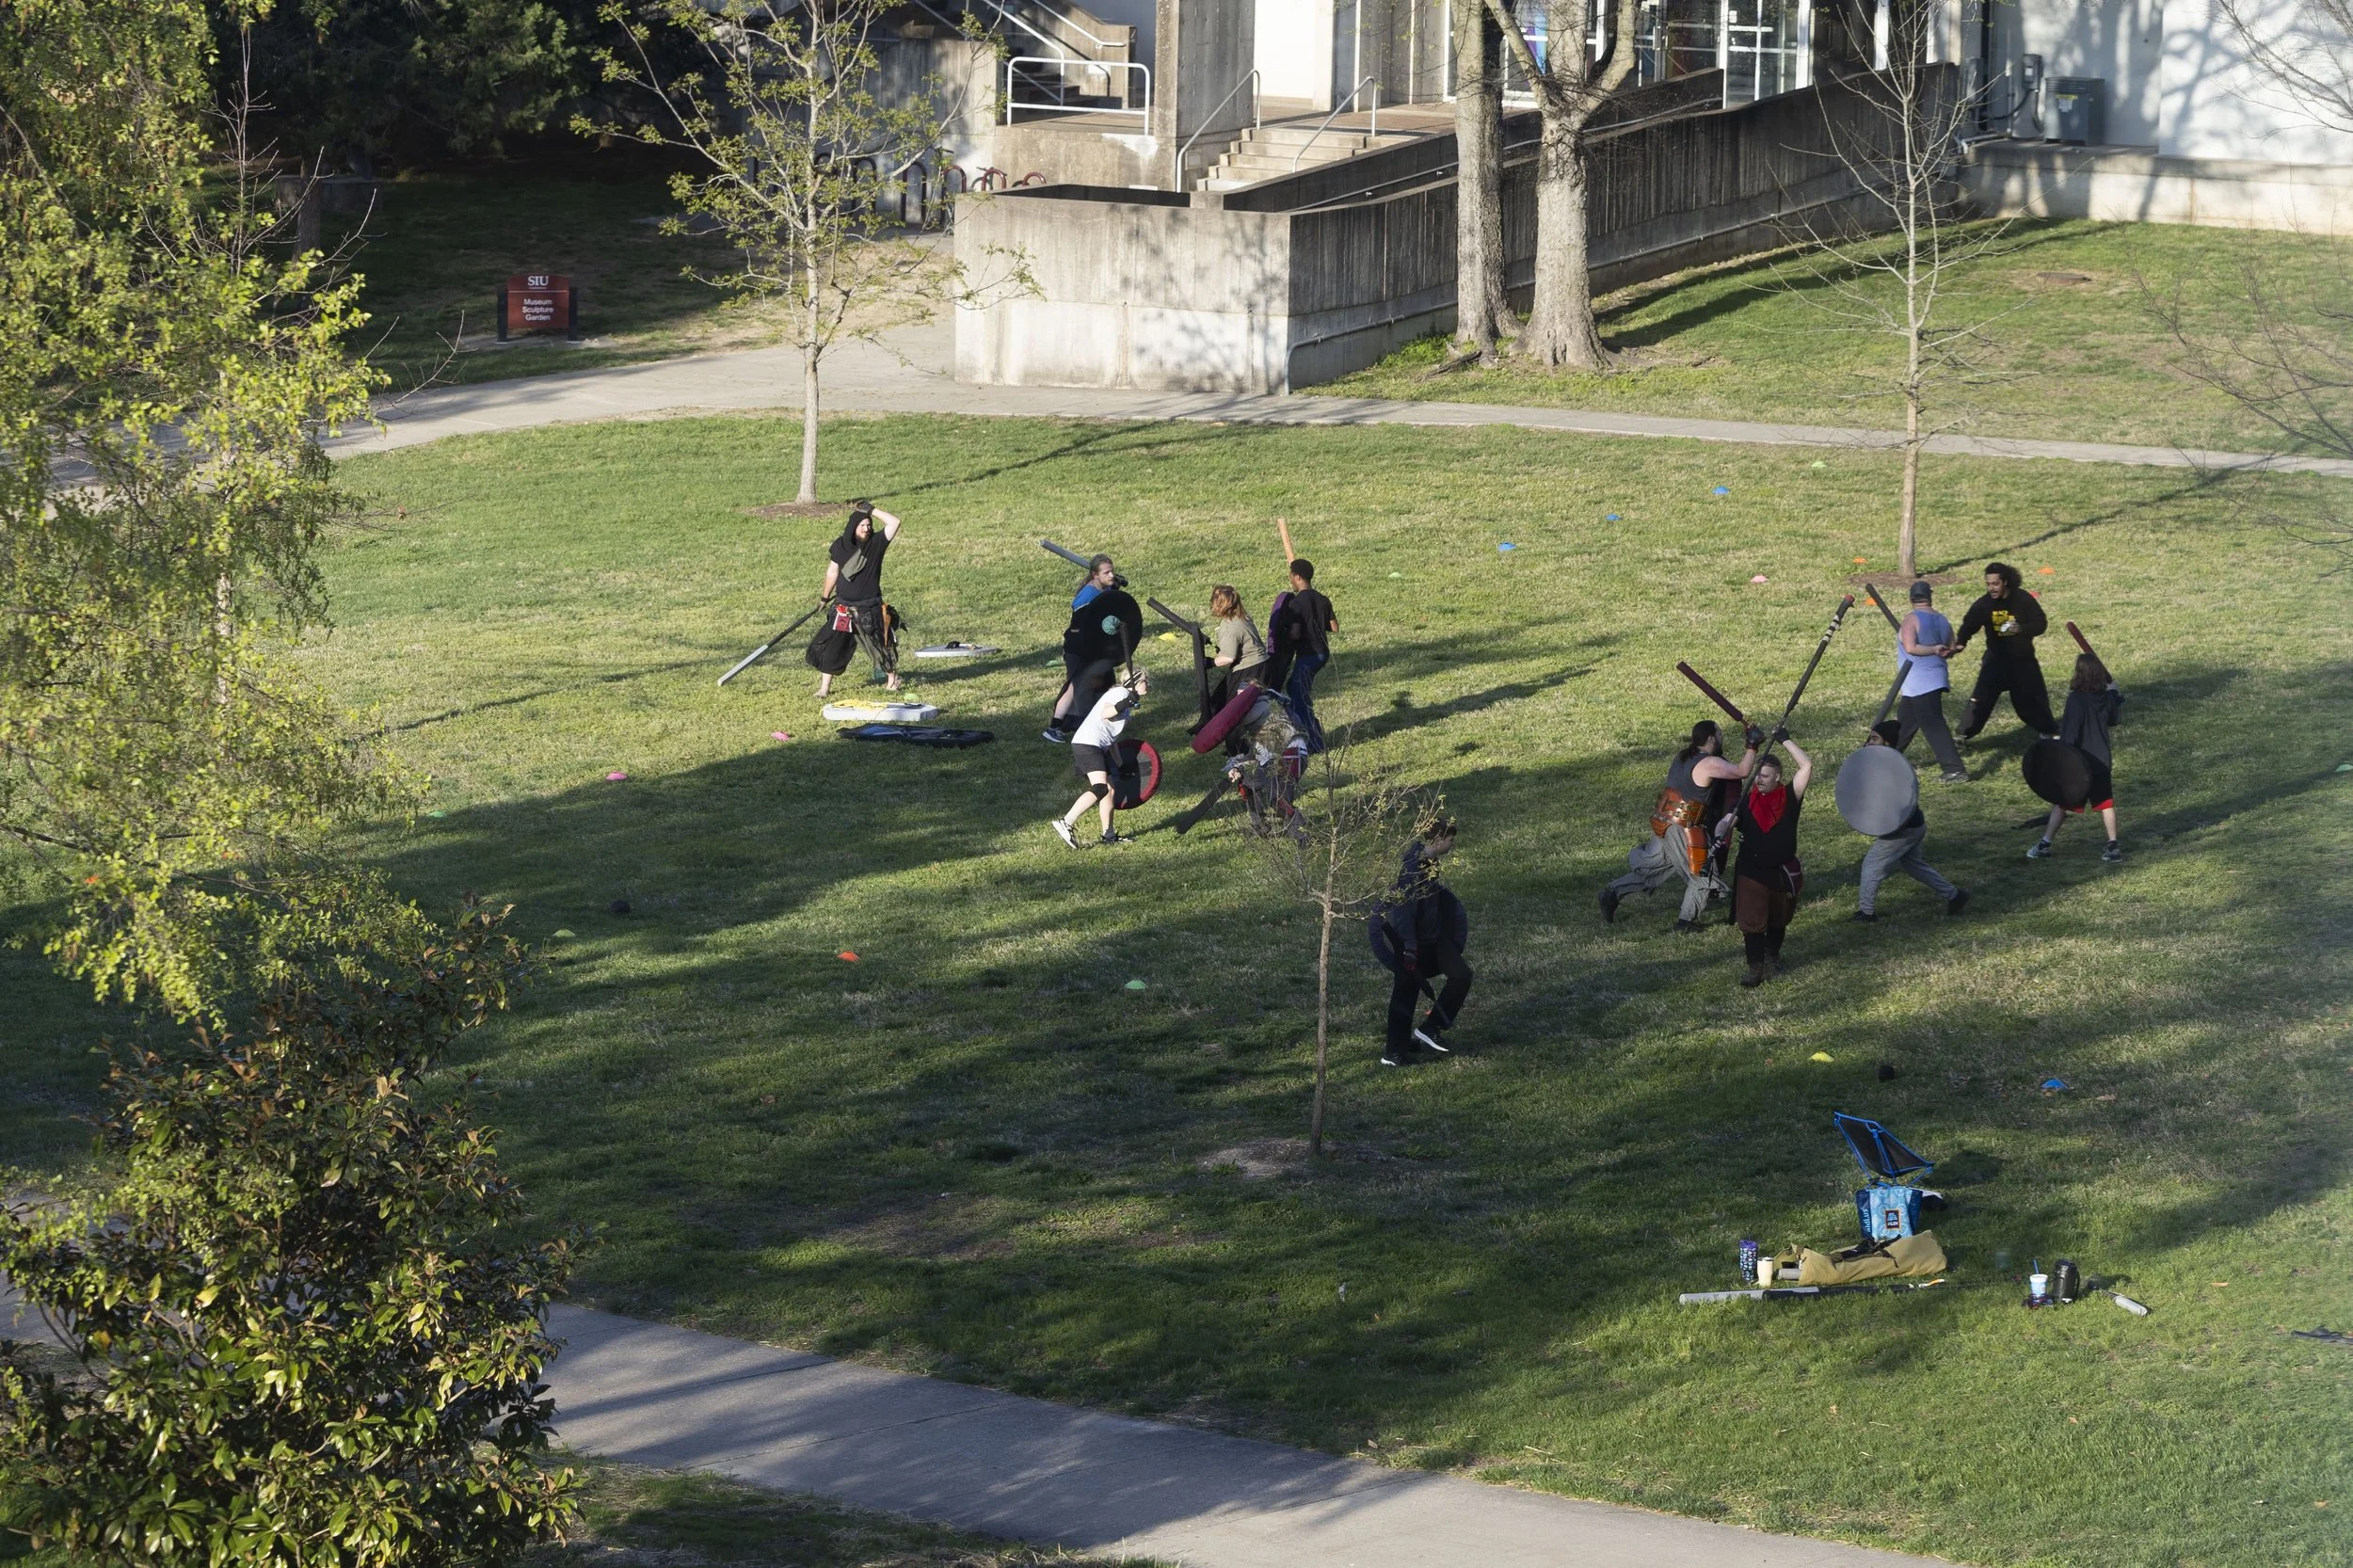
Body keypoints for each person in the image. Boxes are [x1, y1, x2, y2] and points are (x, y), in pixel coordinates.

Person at [1600, 718, 1758, 931]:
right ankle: (1685, 922)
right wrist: (1752, 745)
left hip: (1663, 823)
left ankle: (1612, 893)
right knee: (1703, 872)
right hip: (1683, 828)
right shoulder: (1708, 763)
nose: (1722, 737)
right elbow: (1742, 771)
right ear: (1711, 738)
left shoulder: (1683, 756)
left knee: (1655, 869)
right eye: (1719, 734)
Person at [1714, 734, 1812, 987]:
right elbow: (1730, 819)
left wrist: (1786, 740)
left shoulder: (1791, 797)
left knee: (1778, 920)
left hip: (1781, 872)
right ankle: (1755, 967)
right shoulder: (1747, 798)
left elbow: (1807, 766)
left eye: (1765, 776)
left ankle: (1772, 956)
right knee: (1752, 921)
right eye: (1757, 775)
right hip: (1752, 871)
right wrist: (1723, 825)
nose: (1758, 780)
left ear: (1778, 777)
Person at [1852, 721, 1969, 921]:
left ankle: (1867, 912)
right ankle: (1955, 895)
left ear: (1887, 743)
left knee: (1872, 864)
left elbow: (1900, 801)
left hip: (1902, 828)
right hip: (1912, 826)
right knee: (1914, 866)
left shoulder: (1896, 768)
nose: (1869, 743)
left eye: (1874, 738)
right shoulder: (1882, 764)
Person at [1380, 820, 1472, 1067]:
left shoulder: (1429, 860)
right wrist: (1409, 947)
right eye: (1451, 840)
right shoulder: (1413, 866)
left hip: (1433, 938)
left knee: (1461, 975)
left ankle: (1430, 1028)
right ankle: (1393, 1053)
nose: (1452, 844)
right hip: (1409, 943)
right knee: (1405, 993)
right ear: (1439, 840)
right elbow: (1404, 910)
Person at [2029, 653, 2126, 862]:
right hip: (2101, 761)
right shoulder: (2105, 697)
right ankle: (2113, 845)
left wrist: (2061, 754)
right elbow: (2114, 719)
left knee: (2062, 803)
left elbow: (2071, 734)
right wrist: (2114, 695)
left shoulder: (2076, 699)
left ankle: (2045, 844)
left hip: (2079, 764)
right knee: (2106, 804)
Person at [1953, 562, 2057, 740]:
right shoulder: (1984, 604)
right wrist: (1961, 642)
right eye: (1988, 584)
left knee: (2032, 699)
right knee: (1981, 699)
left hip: (2023, 660)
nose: (1991, 588)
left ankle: (2049, 731)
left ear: (2006, 582)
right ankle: (1963, 735)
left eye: (1995, 584)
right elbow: (1969, 624)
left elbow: (2040, 623)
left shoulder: (2023, 599)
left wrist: (2021, 629)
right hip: (1996, 660)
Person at [1045, 555, 1142, 743]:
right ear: (1095, 575)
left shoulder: (1105, 588)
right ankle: (1054, 727)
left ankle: (1105, 719)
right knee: (1075, 687)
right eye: (1106, 573)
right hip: (1078, 649)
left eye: (1112, 571)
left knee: (1105, 683)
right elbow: (1080, 628)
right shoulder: (1085, 598)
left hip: (1096, 649)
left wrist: (1115, 588)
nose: (1111, 575)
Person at [811, 501, 903, 699]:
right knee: (835, 646)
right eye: (862, 525)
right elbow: (832, 571)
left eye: (869, 525)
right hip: (844, 608)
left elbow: (894, 522)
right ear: (853, 527)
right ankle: (824, 689)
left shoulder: (876, 544)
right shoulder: (840, 546)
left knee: (880, 644)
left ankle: (892, 681)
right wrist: (824, 597)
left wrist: (872, 511)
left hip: (870, 608)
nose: (867, 529)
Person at [1053, 669, 1150, 849]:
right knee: (1101, 788)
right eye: (1146, 681)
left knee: (1110, 790)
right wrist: (1126, 701)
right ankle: (1066, 822)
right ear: (1136, 682)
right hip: (1087, 744)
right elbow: (1106, 713)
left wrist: (1120, 764)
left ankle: (1109, 835)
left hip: (1097, 745)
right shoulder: (1120, 693)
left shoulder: (1125, 701)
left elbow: (1112, 740)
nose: (1148, 685)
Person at [1895, 581, 1968, 782]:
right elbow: (1951, 649)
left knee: (1934, 725)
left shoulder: (1911, 619)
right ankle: (1887, 758)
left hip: (1919, 682)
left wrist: (1933, 649)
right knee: (1904, 725)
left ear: (1911, 598)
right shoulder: (1942, 619)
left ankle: (1955, 769)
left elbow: (1910, 648)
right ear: (1930, 596)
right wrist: (1947, 650)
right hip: (1933, 679)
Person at [1269, 559, 1337, 754]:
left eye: (1291, 575)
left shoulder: (1296, 604)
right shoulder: (1323, 599)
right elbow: (1334, 627)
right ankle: (1308, 732)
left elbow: (1295, 635)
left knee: (1298, 696)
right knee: (1295, 689)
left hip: (1308, 655)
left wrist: (1284, 634)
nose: (1290, 579)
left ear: (1297, 577)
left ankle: (1315, 743)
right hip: (1322, 653)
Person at [1223, 688, 1307, 834]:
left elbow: (1267, 750)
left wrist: (1240, 766)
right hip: (1274, 760)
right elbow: (1248, 753)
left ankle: (1300, 833)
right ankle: (1260, 825)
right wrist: (1235, 767)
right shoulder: (1247, 720)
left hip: (1291, 756)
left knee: (1278, 798)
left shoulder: (1266, 708)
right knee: (1247, 783)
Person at [1207, 584, 1270, 714]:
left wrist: (1209, 663)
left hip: (1250, 669)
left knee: (1232, 709)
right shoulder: (1243, 617)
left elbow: (1228, 658)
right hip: (1262, 665)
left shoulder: (1230, 627)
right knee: (1221, 700)